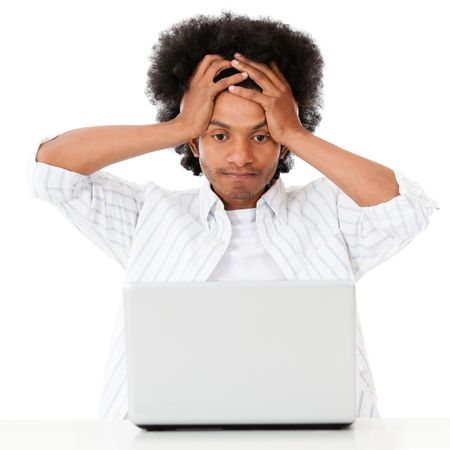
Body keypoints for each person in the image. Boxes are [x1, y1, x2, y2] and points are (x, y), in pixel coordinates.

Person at [26, 11, 439, 421]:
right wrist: (180, 124)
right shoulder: (149, 215)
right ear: (194, 143)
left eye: (261, 135)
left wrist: (295, 132)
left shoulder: (327, 212)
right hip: (171, 435)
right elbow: (53, 171)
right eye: (219, 135)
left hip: (316, 435)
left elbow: (404, 210)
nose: (240, 157)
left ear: (281, 142)